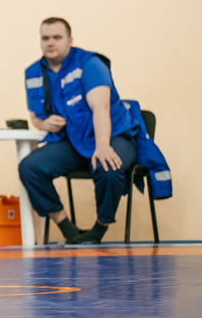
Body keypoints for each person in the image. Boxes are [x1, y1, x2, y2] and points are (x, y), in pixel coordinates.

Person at [19, 18, 142, 245]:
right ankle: (68, 228)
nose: (50, 43)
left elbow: (101, 107)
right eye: (46, 38)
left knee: (108, 164)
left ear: (70, 40)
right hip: (74, 141)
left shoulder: (90, 64)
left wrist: (103, 146)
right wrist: (45, 125)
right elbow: (35, 117)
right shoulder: (33, 73)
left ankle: (99, 228)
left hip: (112, 135)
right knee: (30, 167)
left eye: (57, 37)